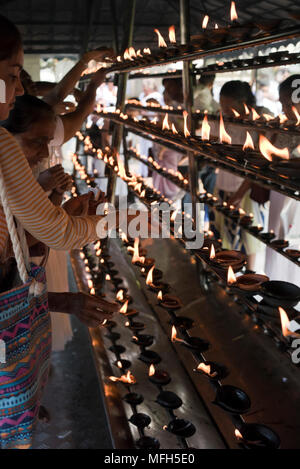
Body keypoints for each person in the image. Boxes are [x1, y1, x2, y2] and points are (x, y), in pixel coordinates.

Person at [210, 81, 272, 271]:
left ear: (243, 102)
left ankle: (250, 276)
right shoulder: (221, 119)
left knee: (248, 236)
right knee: (223, 232)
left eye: (228, 106)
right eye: (222, 105)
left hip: (247, 188)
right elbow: (212, 143)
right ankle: (228, 271)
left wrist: (239, 194)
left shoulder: (259, 122)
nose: (224, 110)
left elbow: (260, 164)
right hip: (223, 183)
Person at [264, 74, 300, 287]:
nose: (285, 109)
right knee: (277, 237)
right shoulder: (281, 126)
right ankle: (277, 285)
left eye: (290, 103)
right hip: (279, 193)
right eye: (282, 103)